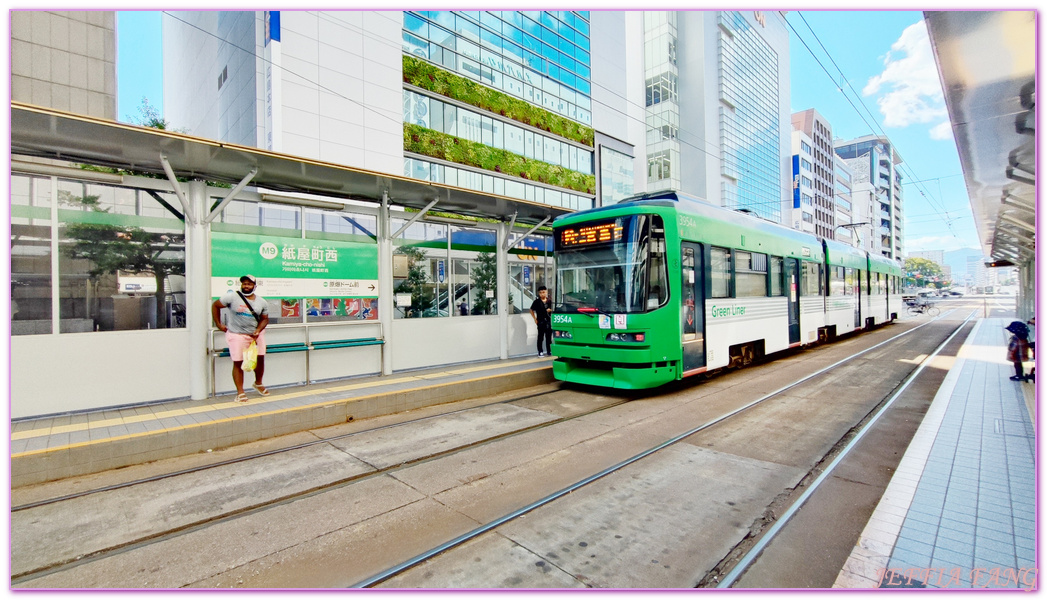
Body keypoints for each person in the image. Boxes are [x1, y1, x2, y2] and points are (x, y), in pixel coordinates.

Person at [212, 275, 270, 402]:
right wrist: (218, 324)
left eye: (249, 284)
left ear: (255, 286)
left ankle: (258, 383)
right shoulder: (232, 297)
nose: (246, 286)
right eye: (244, 284)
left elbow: (265, 319)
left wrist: (258, 330)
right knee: (238, 362)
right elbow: (215, 305)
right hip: (237, 335)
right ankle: (240, 392)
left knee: (260, 359)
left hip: (256, 335)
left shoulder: (262, 302)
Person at [530, 285, 552, 356]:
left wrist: (550, 310)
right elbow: (531, 310)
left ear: (546, 292)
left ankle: (549, 351)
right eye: (540, 292)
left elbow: (554, 309)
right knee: (540, 337)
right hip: (541, 321)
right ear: (539, 293)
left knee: (549, 337)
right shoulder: (536, 301)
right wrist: (535, 319)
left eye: (543, 292)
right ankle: (540, 351)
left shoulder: (550, 301)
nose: (542, 294)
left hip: (549, 321)